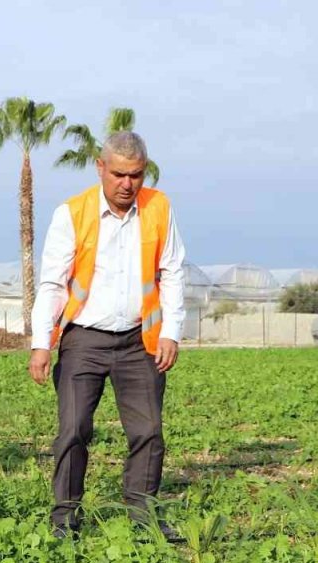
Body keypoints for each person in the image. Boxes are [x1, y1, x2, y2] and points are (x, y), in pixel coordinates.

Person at [28, 131, 187, 541]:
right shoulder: (72, 214)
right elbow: (52, 283)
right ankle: (65, 517)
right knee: (74, 428)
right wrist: (41, 344)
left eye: (135, 175)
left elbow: (171, 271)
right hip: (84, 340)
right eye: (118, 174)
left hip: (140, 341)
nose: (127, 185)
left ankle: (143, 514)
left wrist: (171, 331)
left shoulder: (159, 208)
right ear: (101, 168)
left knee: (148, 431)